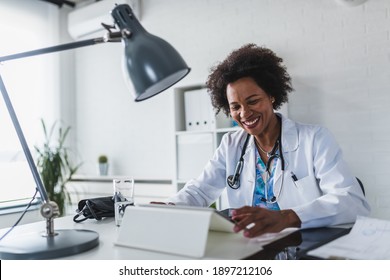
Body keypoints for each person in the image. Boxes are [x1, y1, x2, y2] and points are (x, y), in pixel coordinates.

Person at [167, 43, 370, 238]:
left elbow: (352, 201)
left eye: (253, 101)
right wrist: (170, 208)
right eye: (235, 106)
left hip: (301, 246)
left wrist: (288, 216)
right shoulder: (231, 144)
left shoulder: (314, 139)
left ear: (271, 95)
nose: (244, 113)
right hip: (252, 245)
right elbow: (200, 190)